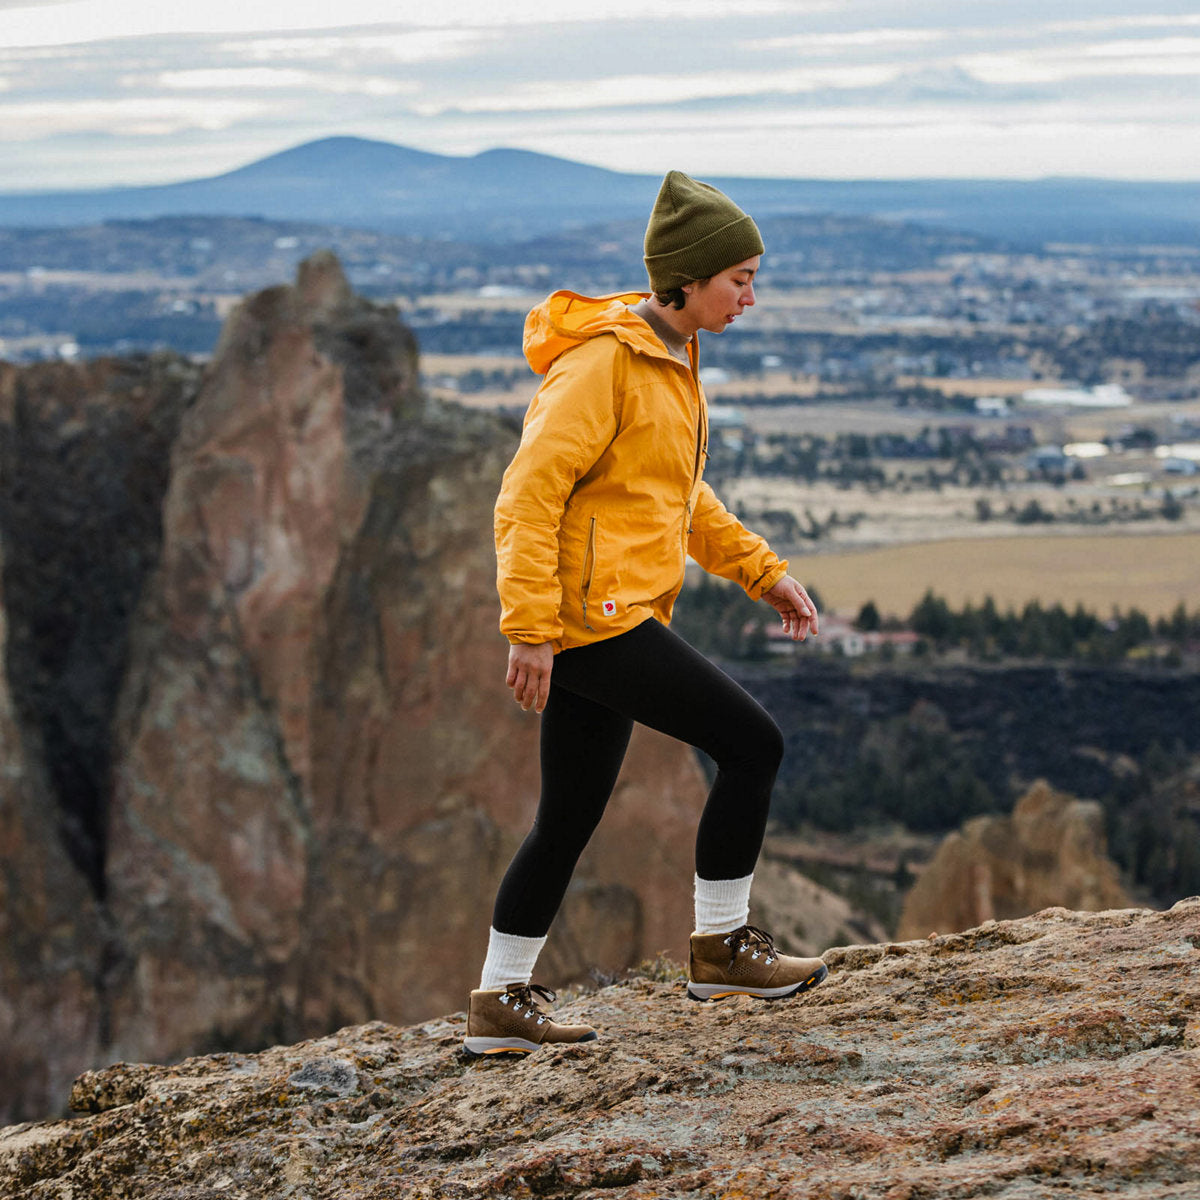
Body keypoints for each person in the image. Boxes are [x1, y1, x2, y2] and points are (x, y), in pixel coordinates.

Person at [463, 170, 828, 1057]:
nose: (750, 297)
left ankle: (498, 1004)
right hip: (597, 620)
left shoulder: (670, 358)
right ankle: (721, 949)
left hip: (609, 614)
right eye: (740, 279)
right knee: (753, 744)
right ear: (689, 279)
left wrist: (763, 573)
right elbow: (527, 496)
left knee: (567, 818)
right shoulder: (603, 365)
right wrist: (530, 630)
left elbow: (678, 496)